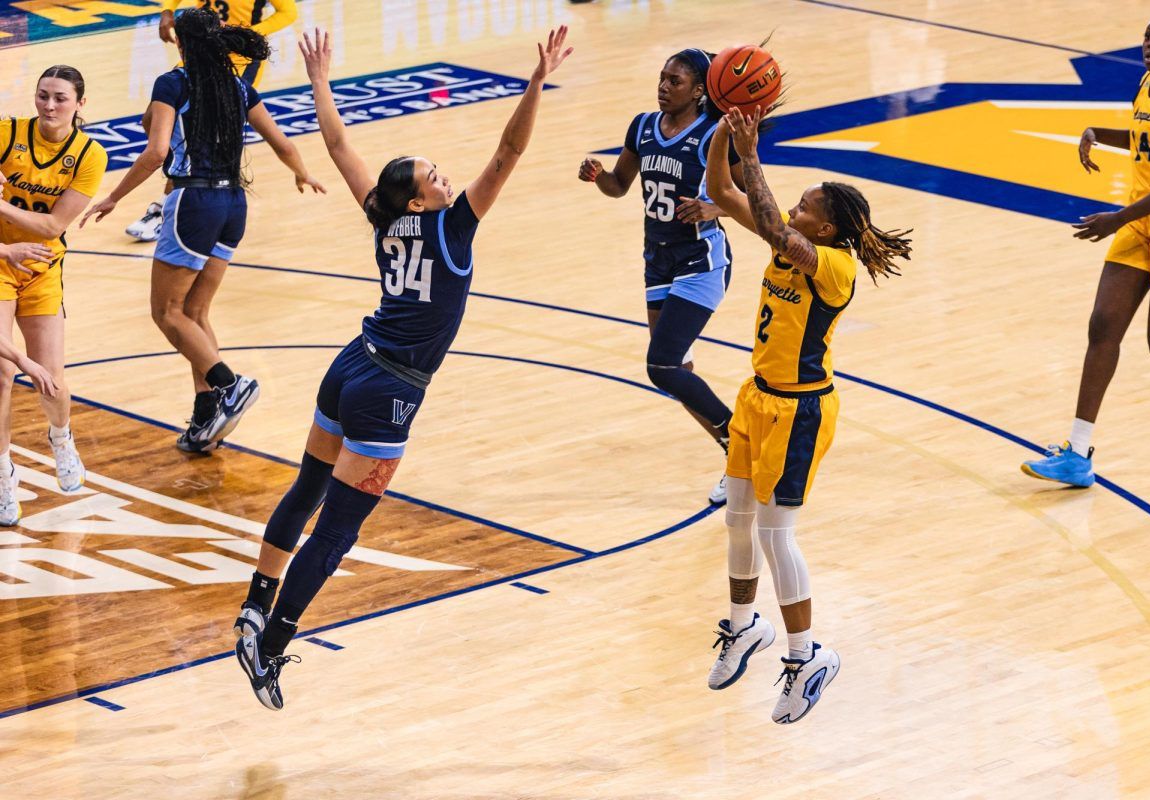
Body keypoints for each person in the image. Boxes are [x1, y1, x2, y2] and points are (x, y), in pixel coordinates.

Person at [232, 26, 573, 710]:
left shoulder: (384, 218)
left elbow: (339, 146)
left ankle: (254, 604)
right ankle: (269, 646)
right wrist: (536, 82)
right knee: (337, 529)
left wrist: (320, 79)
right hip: (389, 390)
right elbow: (509, 151)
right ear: (420, 201)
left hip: (350, 364)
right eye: (435, 177)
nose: (448, 178)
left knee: (306, 490)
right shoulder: (456, 225)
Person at [706, 107, 911, 723]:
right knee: (737, 523)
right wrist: (723, 136)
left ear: (824, 230)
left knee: (775, 533)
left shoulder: (834, 268)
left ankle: (806, 657)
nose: (792, 212)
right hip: (756, 397)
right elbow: (720, 189)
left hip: (801, 410)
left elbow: (765, 214)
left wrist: (753, 153)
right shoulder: (793, 243)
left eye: (804, 209)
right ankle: (744, 628)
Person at [82, 9, 324, 453]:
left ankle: (229, 385)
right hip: (234, 205)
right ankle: (205, 416)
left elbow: (155, 152)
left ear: (181, 43)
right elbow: (282, 142)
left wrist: (115, 196)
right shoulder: (237, 85)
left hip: (193, 204)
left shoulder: (174, 83)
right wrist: (301, 173)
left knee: (167, 312)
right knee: (195, 313)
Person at [1023, 12, 1150, 487]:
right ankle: (1077, 455)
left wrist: (1118, 218)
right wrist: (1100, 133)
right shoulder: (1149, 82)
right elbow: (1149, 143)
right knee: (1102, 328)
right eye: (1147, 35)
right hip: (1140, 221)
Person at [578, 49, 742, 505]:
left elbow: (750, 195)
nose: (664, 86)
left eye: (675, 81)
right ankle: (735, 453)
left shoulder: (715, 133)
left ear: (698, 91)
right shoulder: (643, 127)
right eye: (662, 78)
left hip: (701, 259)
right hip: (658, 261)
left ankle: (741, 446)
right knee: (676, 370)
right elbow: (619, 186)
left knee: (662, 366)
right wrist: (598, 176)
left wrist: (712, 206)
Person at [0, 65, 110, 524]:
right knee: (2, 373)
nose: (49, 105)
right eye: (43, 95)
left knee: (53, 378)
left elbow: (51, 226)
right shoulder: (7, 133)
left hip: (43, 267)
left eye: (60, 98)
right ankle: (3, 473)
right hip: (0, 258)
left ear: (80, 104)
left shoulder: (89, 154)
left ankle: (61, 438)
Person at [125, 0, 300, 242]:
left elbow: (288, 12)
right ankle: (180, 183)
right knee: (151, 118)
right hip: (196, 49)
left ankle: (165, 210)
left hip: (236, 58)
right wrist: (166, 10)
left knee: (196, 137)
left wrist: (243, 34)